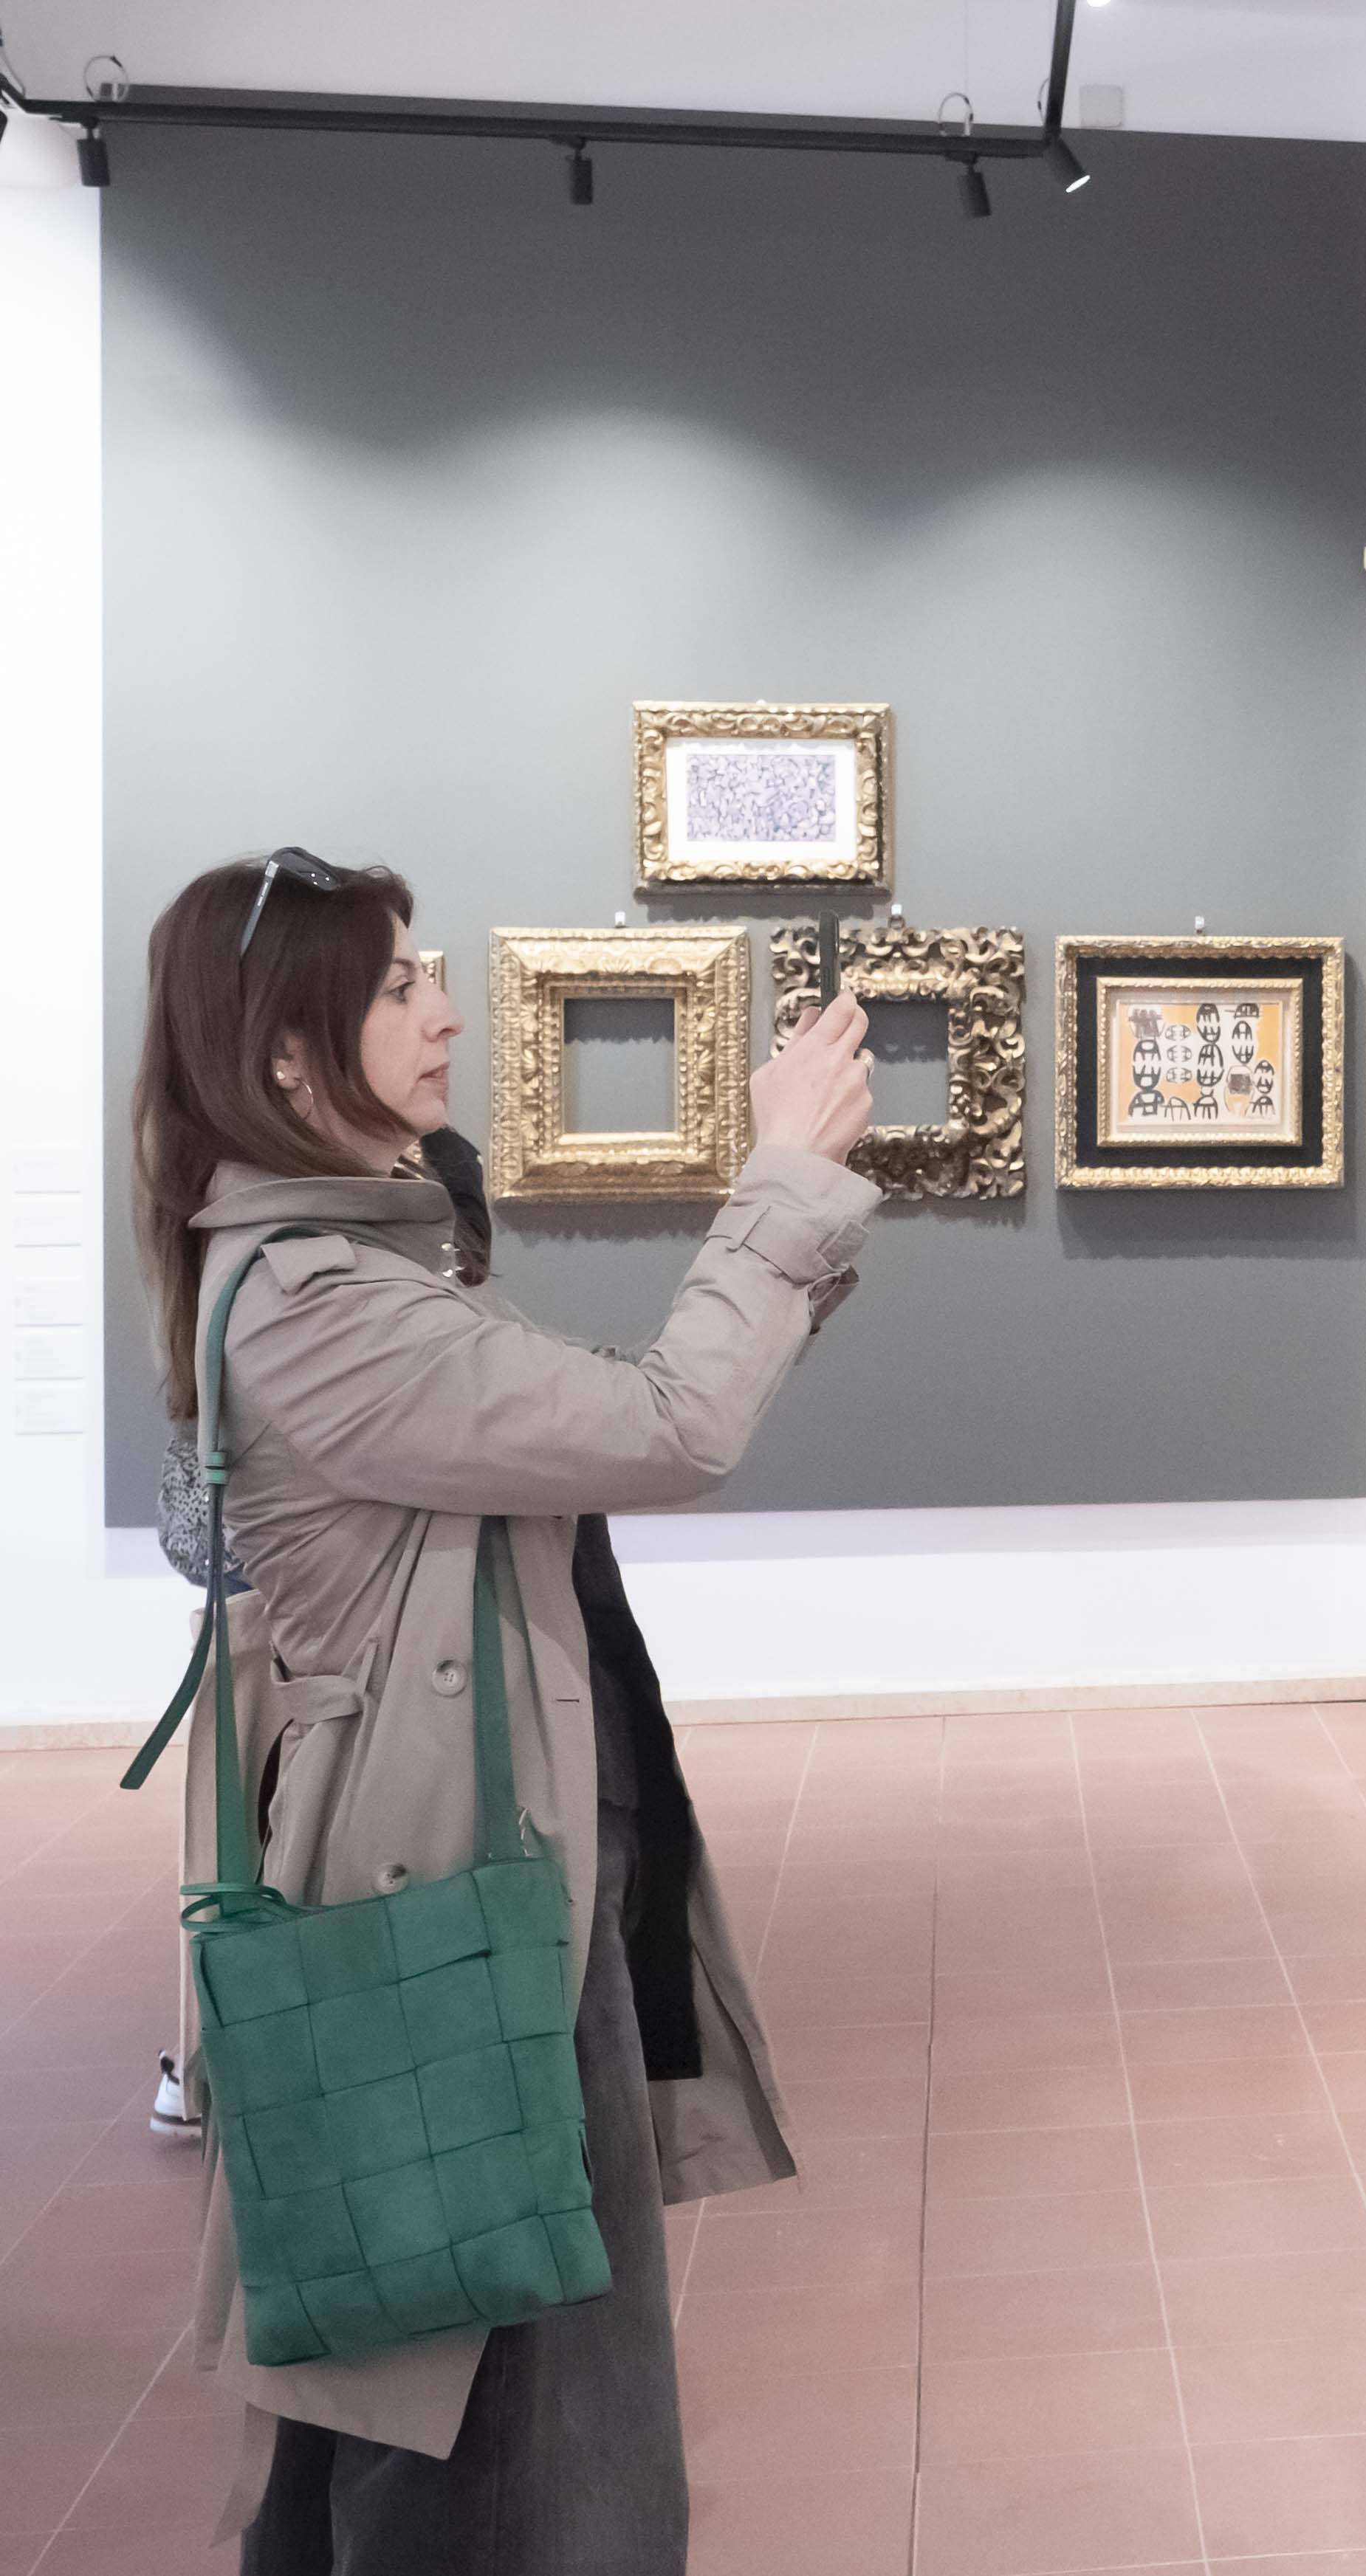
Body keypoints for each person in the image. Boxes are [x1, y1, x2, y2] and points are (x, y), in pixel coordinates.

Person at [129, 848, 879, 2574]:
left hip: (487, 1861)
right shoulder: (319, 1299)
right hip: (449, 1896)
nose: (447, 1010)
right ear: (288, 1053)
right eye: (400, 983)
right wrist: (780, 1180)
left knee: (429, 2375)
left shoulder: (365, 1256)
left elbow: (599, 1422)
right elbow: (669, 1422)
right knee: (502, 2413)